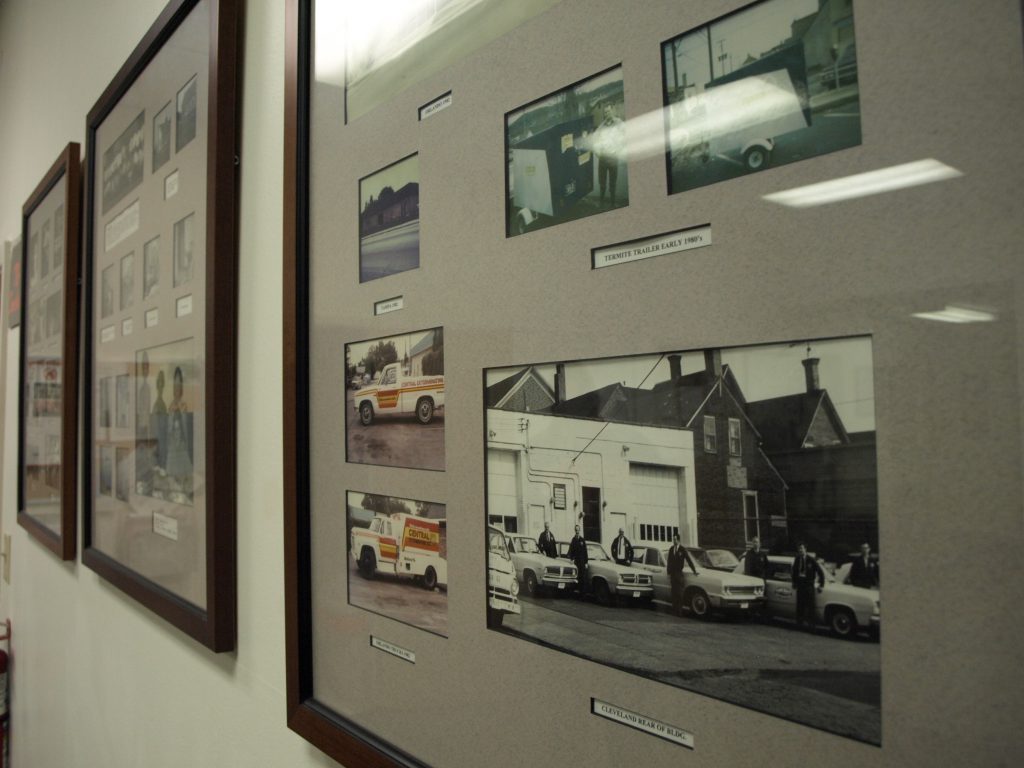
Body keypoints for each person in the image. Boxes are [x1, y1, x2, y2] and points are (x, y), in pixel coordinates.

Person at [593, 101, 624, 207]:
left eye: (608, 111)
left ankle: (612, 204)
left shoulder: (619, 123)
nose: (607, 114)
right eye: (605, 112)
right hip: (603, 160)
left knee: (613, 184)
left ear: (612, 111)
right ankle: (601, 203)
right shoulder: (601, 127)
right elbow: (594, 140)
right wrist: (597, 152)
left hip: (613, 159)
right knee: (602, 184)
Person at [791, 543, 824, 631]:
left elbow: (820, 572)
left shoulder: (811, 560)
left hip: (809, 585)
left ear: (805, 549)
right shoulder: (797, 559)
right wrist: (794, 582)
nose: (800, 550)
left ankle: (811, 625)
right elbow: (794, 572)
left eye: (802, 548)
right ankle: (799, 624)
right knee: (800, 605)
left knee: (810, 605)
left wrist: (822, 585)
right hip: (800, 585)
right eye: (799, 549)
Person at [666, 533, 696, 616]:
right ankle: (674, 610)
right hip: (672, 574)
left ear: (678, 540)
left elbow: (689, 560)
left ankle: (679, 611)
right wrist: (668, 571)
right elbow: (669, 561)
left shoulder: (682, 549)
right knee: (673, 592)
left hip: (679, 574)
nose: (674, 541)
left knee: (679, 593)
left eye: (675, 539)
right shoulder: (671, 549)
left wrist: (694, 570)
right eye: (673, 539)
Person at [567, 525, 588, 597]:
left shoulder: (582, 540)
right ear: (574, 530)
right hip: (576, 562)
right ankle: (578, 593)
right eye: (576, 530)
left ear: (580, 530)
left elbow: (585, 552)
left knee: (583, 578)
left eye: (578, 530)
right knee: (577, 577)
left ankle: (583, 594)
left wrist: (586, 562)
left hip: (582, 562)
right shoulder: (573, 540)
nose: (577, 531)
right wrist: (571, 559)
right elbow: (571, 550)